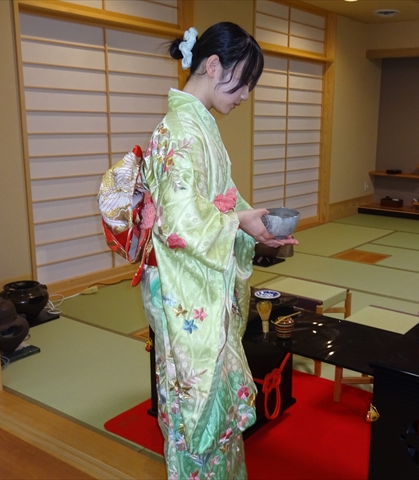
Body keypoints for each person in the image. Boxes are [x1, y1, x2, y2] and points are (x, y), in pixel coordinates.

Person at [140, 22, 298, 480]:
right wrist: (238, 223)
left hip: (206, 284)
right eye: (243, 81)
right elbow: (180, 223)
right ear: (213, 66)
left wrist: (255, 228)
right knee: (195, 408)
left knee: (217, 404)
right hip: (186, 289)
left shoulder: (199, 126)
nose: (246, 94)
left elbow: (226, 199)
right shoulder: (178, 131)